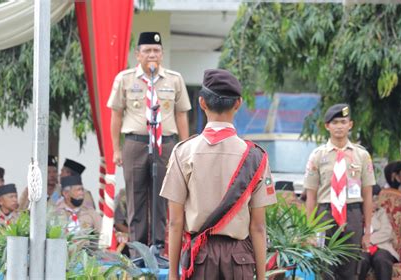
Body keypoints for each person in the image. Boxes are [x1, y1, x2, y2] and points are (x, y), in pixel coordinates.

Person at [160, 69, 276, 280]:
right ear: (238, 103)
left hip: (199, 259)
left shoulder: (183, 152)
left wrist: (172, 275)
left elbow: (175, 222)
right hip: (239, 260)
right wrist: (261, 277)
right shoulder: (256, 157)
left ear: (202, 103)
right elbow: (258, 227)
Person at [108, 31, 191, 247]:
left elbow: (181, 114)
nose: (152, 54)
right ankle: (138, 252)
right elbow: (116, 114)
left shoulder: (174, 79)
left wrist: (184, 148)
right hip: (135, 143)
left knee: (162, 199)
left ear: (162, 54)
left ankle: (158, 248)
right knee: (136, 199)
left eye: (156, 50)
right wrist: (116, 149)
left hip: (166, 144)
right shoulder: (124, 78)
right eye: (147, 50)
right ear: (138, 54)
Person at [304, 103, 376, 280]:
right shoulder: (318, 155)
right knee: (325, 267)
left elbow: (368, 195)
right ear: (327, 126)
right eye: (334, 122)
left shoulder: (362, 155)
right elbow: (311, 195)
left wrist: (368, 231)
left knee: (350, 268)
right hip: (325, 214)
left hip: (352, 214)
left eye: (343, 122)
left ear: (350, 125)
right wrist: (310, 230)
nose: (339, 126)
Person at [358, 185, 398, 280]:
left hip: (382, 247)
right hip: (362, 249)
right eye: (373, 199)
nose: (376, 202)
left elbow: (386, 232)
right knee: (361, 260)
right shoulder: (357, 213)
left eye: (377, 199)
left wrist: (369, 240)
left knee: (381, 259)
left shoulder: (380, 212)